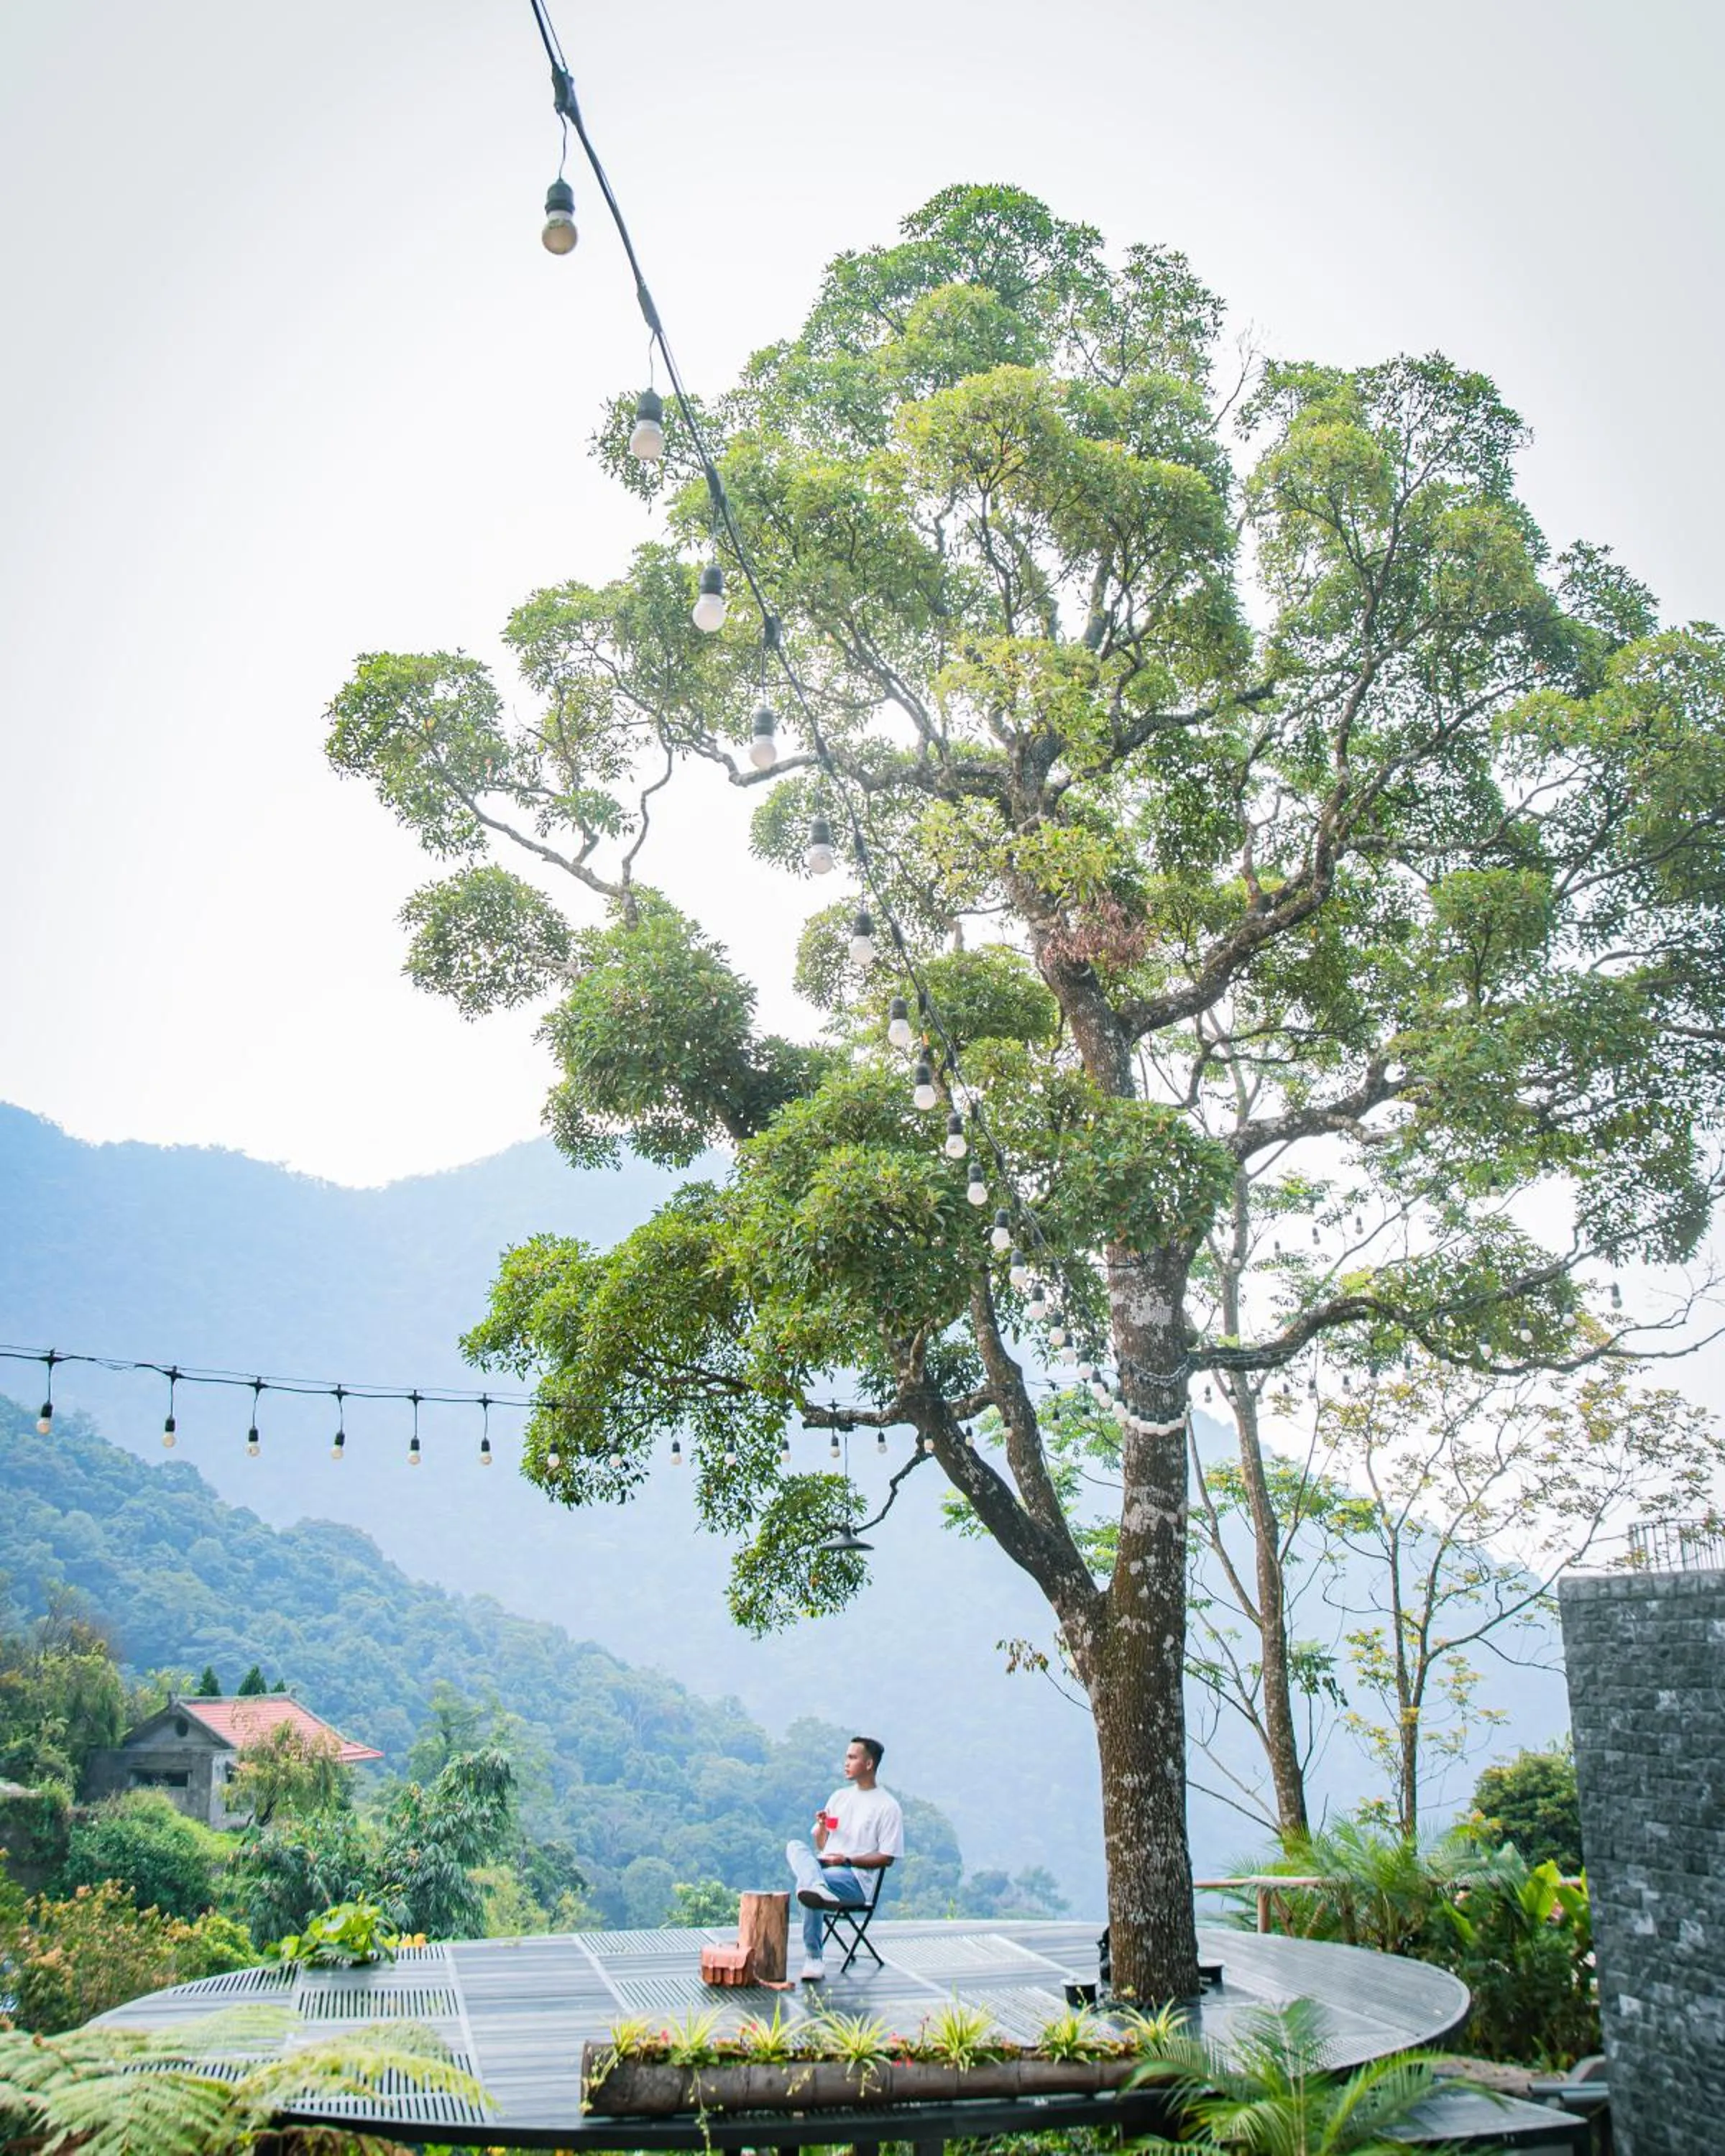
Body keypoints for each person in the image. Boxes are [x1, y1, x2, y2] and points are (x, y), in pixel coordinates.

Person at [784, 1735, 903, 1981]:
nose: (846, 1763)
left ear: (869, 1764)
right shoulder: (839, 1797)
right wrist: (823, 1827)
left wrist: (847, 1860)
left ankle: (814, 1958)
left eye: (852, 1757)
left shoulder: (887, 1806)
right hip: (825, 1866)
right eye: (846, 1757)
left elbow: (887, 1858)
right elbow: (822, 1845)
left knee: (810, 1885)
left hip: (855, 1880)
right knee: (795, 1847)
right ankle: (817, 1886)